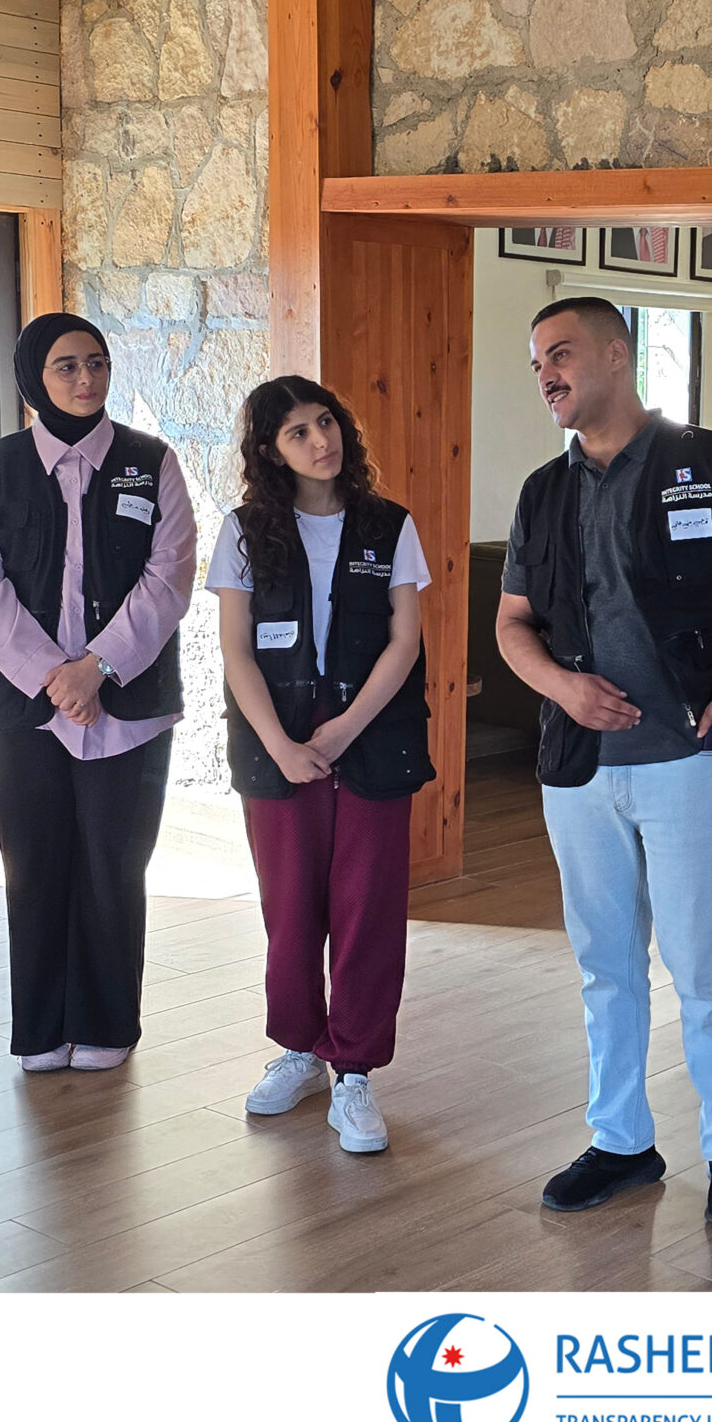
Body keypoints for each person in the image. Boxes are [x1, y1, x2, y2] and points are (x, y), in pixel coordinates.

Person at [495, 297, 712, 1228]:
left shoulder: (707, 462)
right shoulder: (542, 493)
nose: (547, 374)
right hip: (579, 769)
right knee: (604, 964)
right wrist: (562, 688)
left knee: (702, 961)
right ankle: (621, 1142)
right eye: (536, 362)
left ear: (617, 354)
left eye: (561, 354)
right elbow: (512, 625)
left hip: (689, 758)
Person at [0, 314, 194, 1074]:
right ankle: (41, 1030)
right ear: (35, 378)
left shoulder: (151, 461)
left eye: (97, 362)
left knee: (114, 865)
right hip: (20, 709)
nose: (86, 379)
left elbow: (169, 576)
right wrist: (53, 676)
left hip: (127, 705)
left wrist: (98, 668)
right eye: (66, 366)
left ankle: (108, 1022)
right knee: (33, 866)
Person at [214, 376, 434, 1152]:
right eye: (298, 432)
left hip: (372, 733)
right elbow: (236, 651)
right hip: (277, 741)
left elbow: (405, 641)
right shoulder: (243, 530)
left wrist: (343, 730)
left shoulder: (389, 524)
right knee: (290, 906)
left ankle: (355, 1071)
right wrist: (281, 743)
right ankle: (300, 1050)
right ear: (271, 451)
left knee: (368, 906)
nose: (321, 441)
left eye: (326, 422)